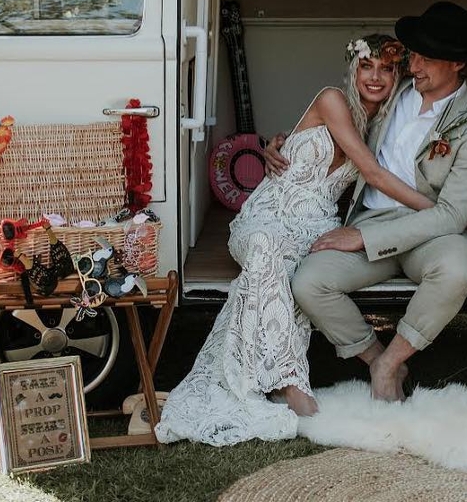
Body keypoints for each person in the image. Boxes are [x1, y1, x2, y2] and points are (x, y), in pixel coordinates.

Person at [153, 33, 435, 446]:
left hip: (316, 225)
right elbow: (370, 173)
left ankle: (351, 365)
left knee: (295, 272)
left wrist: (282, 137)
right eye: (366, 66)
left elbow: (359, 164)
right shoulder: (332, 98)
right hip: (267, 214)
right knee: (265, 251)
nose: (374, 77)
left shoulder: (381, 124)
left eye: (386, 69)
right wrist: (438, 211)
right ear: (352, 69)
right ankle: (290, 384)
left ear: (397, 76)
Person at [286, 1, 467, 402]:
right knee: (309, 282)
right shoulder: (392, 91)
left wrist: (362, 240)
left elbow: (453, 215)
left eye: (426, 58)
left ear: (458, 64)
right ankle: (376, 359)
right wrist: (281, 142)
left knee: (457, 268)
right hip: (370, 219)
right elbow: (334, 122)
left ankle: (391, 363)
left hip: (432, 231)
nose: (414, 65)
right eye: (413, 55)